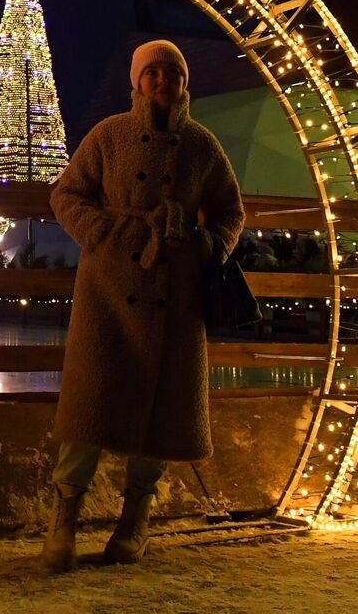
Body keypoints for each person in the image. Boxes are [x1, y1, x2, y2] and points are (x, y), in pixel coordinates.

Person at [38, 39, 244, 571]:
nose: (161, 81)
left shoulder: (202, 145)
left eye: (170, 73)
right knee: (88, 406)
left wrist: (204, 246)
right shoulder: (108, 135)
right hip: (107, 290)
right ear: (136, 81)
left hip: (175, 295)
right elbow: (66, 195)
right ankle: (64, 519)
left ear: (183, 82)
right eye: (150, 72)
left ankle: (135, 520)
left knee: (161, 411)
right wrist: (106, 234)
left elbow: (229, 212)